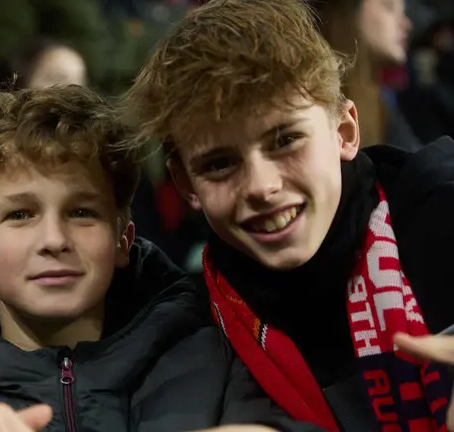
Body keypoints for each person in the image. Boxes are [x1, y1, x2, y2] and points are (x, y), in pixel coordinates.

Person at [0, 85, 319, 432]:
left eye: (81, 213)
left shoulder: (218, 364)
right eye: (20, 214)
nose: (54, 240)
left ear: (123, 239)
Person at [122, 0, 454, 430]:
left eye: (285, 140)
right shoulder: (191, 325)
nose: (262, 187)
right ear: (187, 186)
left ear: (344, 132)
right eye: (220, 164)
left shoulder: (440, 208)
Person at [315, 0, 420, 150]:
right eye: (389, 6)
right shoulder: (314, 97)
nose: (407, 24)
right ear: (349, 9)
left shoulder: (381, 101)